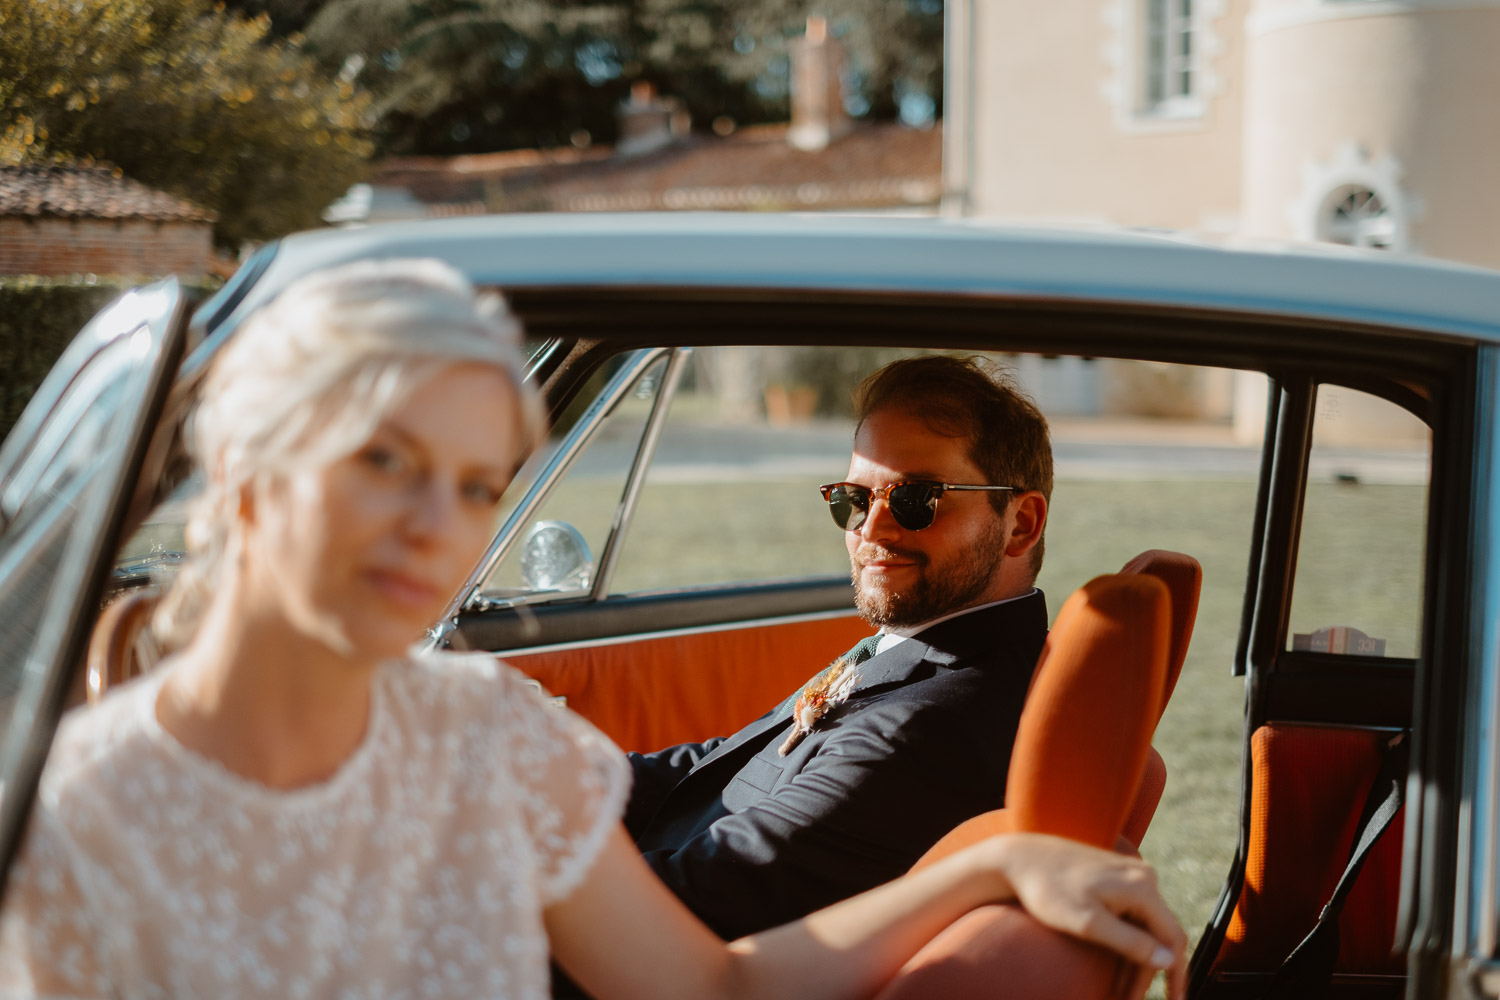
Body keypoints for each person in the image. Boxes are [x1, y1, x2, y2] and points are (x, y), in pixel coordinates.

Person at [0, 260, 1185, 1000]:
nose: (438, 530)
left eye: (475, 485)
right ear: (250, 485)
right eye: (386, 464)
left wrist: (993, 860)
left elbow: (714, 980)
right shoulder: (77, 811)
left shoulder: (480, 734)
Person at [612, 356, 1054, 943]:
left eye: (916, 498)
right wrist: (547, 773)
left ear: (1021, 523)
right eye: (853, 497)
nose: (871, 529)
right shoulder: (918, 652)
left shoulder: (924, 729)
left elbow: (689, 901)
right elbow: (728, 763)